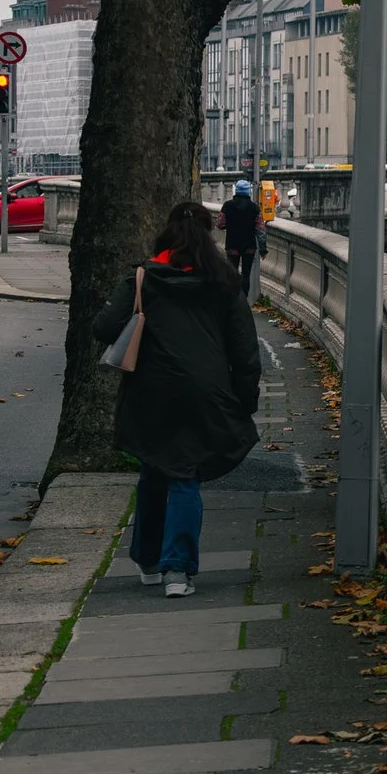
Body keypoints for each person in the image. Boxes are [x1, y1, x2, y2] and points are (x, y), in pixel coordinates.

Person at [90, 202, 262, 598]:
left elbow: (103, 328)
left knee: (154, 467)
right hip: (206, 390)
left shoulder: (144, 276)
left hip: (151, 390)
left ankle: (148, 560)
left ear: (168, 231)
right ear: (208, 234)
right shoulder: (223, 281)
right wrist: (245, 398)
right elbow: (244, 348)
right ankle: (177, 571)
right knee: (185, 473)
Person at [220, 179, 262, 287]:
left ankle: (234, 297)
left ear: (236, 191)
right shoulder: (254, 207)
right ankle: (245, 297)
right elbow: (260, 229)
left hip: (232, 244)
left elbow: (220, 224)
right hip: (249, 246)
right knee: (246, 274)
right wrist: (263, 249)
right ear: (248, 192)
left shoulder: (227, 206)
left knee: (232, 274)